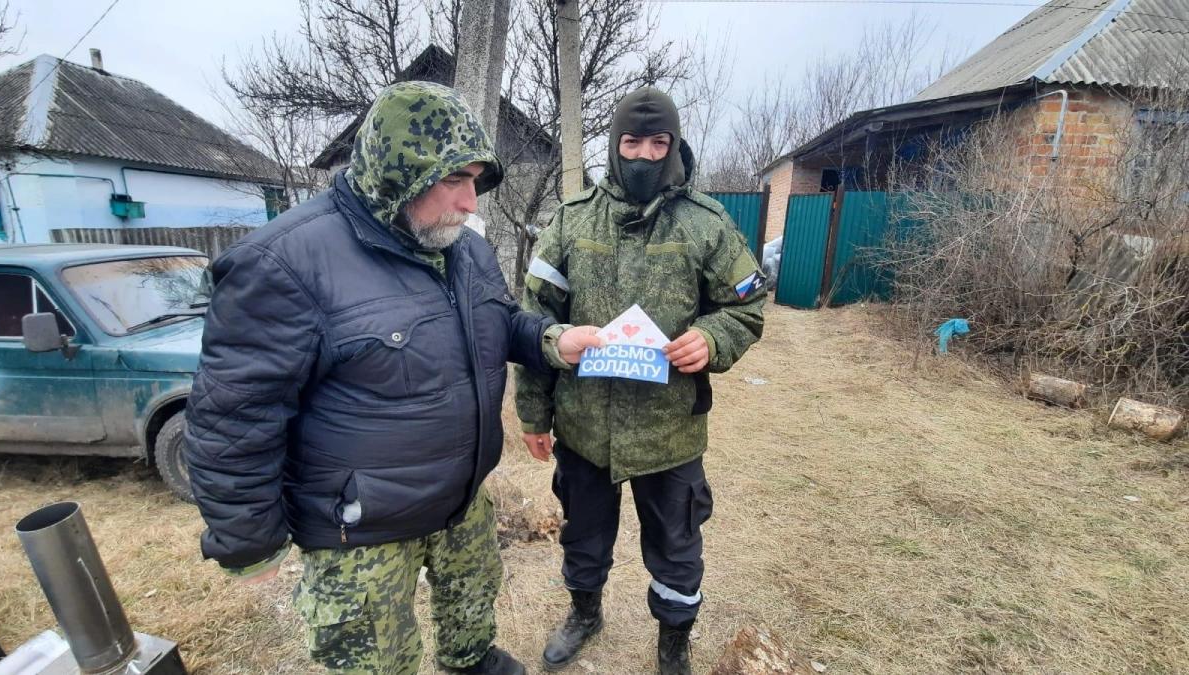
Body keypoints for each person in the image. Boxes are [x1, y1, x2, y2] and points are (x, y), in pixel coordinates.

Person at [184, 81, 600, 675]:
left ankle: (469, 661)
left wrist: (553, 340)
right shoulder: (284, 262)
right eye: (454, 180)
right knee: (378, 661)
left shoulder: (462, 248)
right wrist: (249, 539)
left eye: (475, 181)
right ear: (397, 174)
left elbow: (498, 321)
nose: (471, 202)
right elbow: (235, 413)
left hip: (460, 498)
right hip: (361, 529)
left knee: (473, 605)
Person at [515, 87, 766, 674]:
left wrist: (712, 338)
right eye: (632, 142)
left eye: (658, 143)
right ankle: (584, 614)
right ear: (614, 144)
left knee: (677, 546)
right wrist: (533, 415)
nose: (645, 155)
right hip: (584, 426)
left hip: (668, 432)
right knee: (583, 535)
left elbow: (747, 306)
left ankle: (674, 639)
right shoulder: (572, 220)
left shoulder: (706, 223)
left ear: (673, 145)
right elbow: (535, 320)